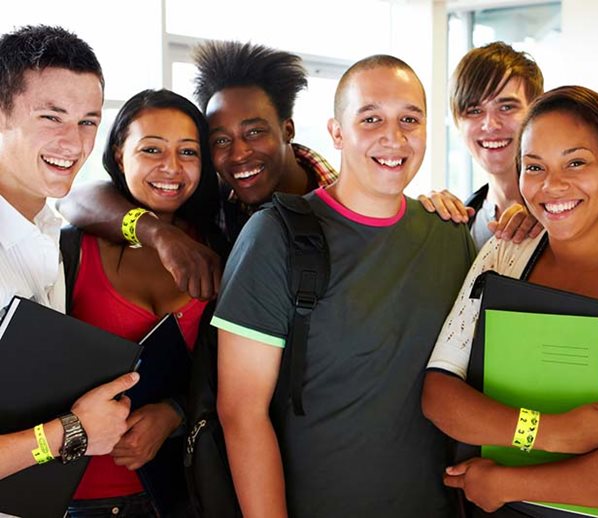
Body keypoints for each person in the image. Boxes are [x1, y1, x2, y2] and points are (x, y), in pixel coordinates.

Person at [423, 85, 598, 517]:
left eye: (575, 162)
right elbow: (440, 393)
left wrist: (507, 483)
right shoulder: (503, 254)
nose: (552, 186)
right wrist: (553, 432)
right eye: (534, 167)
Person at [213, 55, 475, 517]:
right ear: (336, 132)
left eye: (409, 119)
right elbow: (241, 413)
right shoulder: (274, 237)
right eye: (370, 118)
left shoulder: (450, 236)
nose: (393, 137)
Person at [57, 42, 337, 300]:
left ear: (287, 130)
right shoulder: (218, 202)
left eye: (254, 132)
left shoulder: (349, 203)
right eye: (221, 140)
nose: (239, 153)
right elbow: (74, 199)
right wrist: (159, 234)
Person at [63, 89, 225, 517]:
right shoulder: (74, 249)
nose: (171, 167)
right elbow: (72, 197)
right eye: (151, 149)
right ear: (119, 155)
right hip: (80, 497)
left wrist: (174, 412)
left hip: (183, 494)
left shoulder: (219, 248)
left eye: (187, 152)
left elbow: (229, 373)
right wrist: (158, 233)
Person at [0, 25, 137, 480]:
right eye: (51, 117)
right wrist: (73, 432)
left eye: (88, 121)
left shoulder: (54, 232)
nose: (74, 144)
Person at [420, 42, 544, 249]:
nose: (490, 125)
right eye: (475, 111)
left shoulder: (569, 216)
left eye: (506, 107)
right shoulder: (459, 226)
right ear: (459, 124)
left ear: (536, 114)